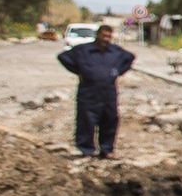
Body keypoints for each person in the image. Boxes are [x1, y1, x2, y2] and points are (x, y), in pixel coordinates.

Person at [57, 23, 134, 158]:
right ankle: (86, 150)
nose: (106, 39)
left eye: (108, 36)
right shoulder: (83, 50)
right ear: (98, 35)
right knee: (86, 120)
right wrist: (79, 71)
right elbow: (63, 57)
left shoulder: (115, 51)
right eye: (103, 35)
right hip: (88, 91)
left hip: (108, 92)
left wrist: (118, 71)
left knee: (109, 119)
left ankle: (106, 149)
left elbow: (130, 57)